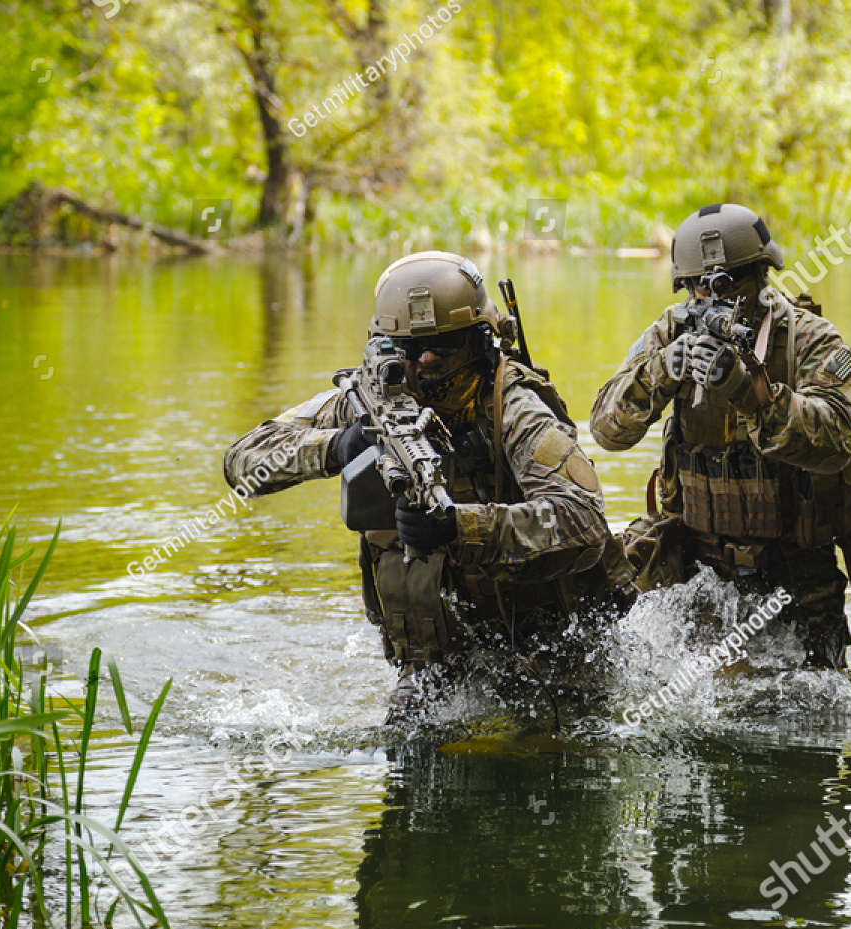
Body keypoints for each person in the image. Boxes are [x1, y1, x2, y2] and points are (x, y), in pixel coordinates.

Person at [223, 251, 634, 720]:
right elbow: (242, 461)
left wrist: (461, 527)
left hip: (553, 652)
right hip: (434, 660)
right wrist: (338, 446)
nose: (425, 361)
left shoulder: (513, 409)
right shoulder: (371, 397)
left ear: (480, 344)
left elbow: (584, 521)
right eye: (408, 349)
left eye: (445, 345)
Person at [590, 204, 851, 670]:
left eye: (729, 282)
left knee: (807, 707)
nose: (713, 296)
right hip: (698, 568)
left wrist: (748, 391)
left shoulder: (809, 339)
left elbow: (838, 439)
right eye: (699, 286)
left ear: (762, 275)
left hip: (794, 571)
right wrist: (662, 371)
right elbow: (606, 430)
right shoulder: (669, 333)